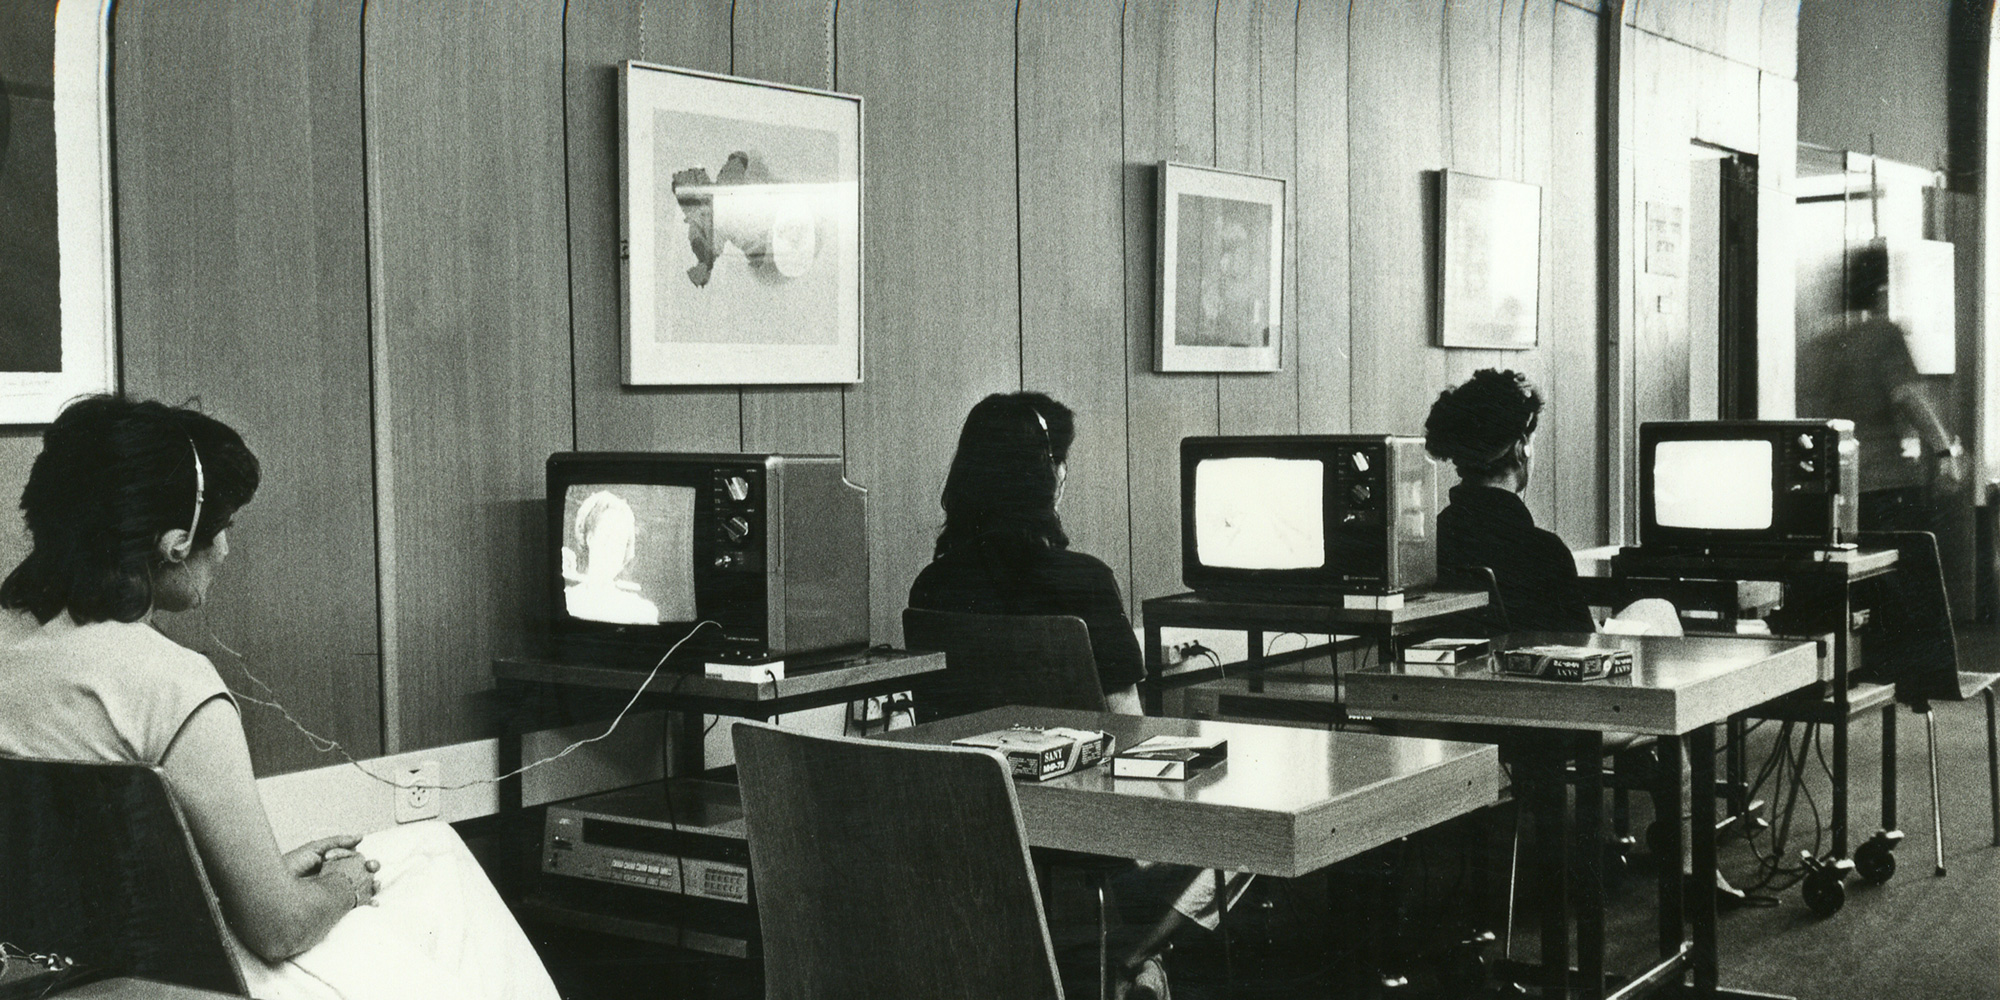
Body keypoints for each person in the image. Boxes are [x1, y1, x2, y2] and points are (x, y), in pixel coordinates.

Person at [0, 396, 559, 1000]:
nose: (226, 550)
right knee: (431, 872)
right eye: (224, 528)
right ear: (174, 544)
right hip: (179, 983)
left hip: (59, 973)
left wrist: (253, 881)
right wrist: (343, 887)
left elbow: (81, 874)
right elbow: (278, 929)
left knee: (429, 848)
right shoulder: (173, 685)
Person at [907, 391, 1244, 999]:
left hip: (976, 817)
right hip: (1097, 826)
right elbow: (1130, 729)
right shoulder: (1085, 580)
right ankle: (1128, 959)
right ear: (1049, 475)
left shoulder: (930, 585)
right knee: (1250, 826)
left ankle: (1122, 963)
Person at [1425, 368, 1679, 635]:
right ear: (1521, 449)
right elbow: (1583, 643)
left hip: (1468, 659)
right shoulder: (1544, 551)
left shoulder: (1432, 541)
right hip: (1542, 658)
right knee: (1660, 609)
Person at [1807, 240, 1963, 533]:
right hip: (1883, 482)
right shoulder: (1883, 335)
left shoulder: (1822, 343)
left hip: (1833, 484)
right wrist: (1945, 453)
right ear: (1882, 290)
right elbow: (1909, 397)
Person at [563, 490, 660, 625]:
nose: (612, 548)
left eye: (620, 541)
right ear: (590, 538)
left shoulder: (640, 611)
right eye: (607, 536)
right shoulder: (570, 600)